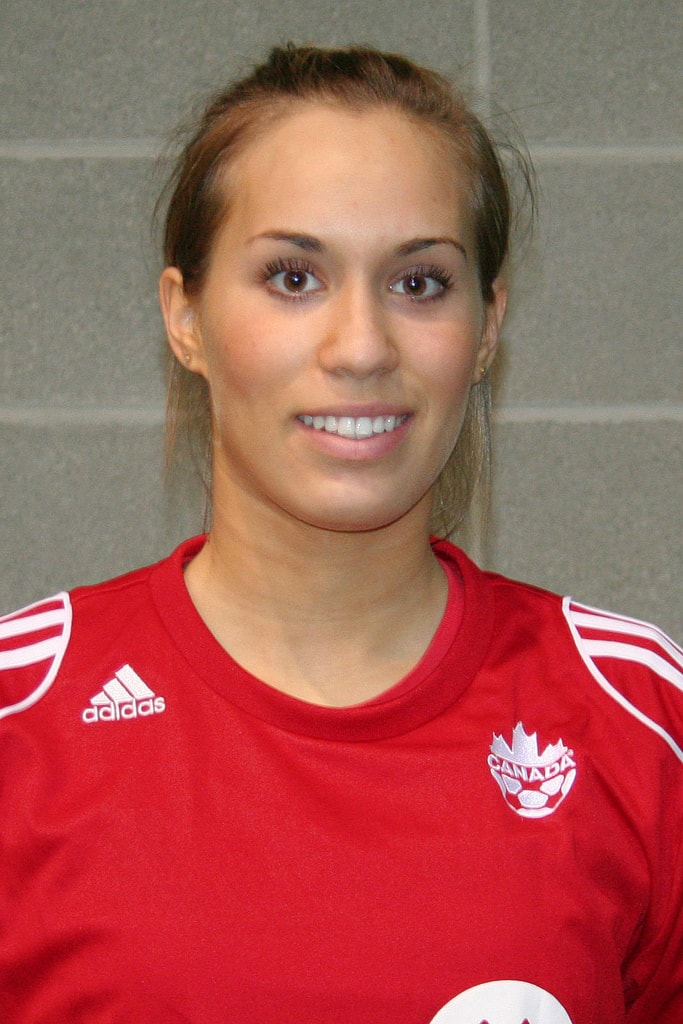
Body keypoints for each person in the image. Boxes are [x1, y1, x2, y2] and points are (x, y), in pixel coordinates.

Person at [0, 44, 681, 1024]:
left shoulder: (635, 715)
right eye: (291, 277)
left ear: (486, 326)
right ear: (183, 314)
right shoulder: (25, 721)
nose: (359, 347)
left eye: (418, 284)